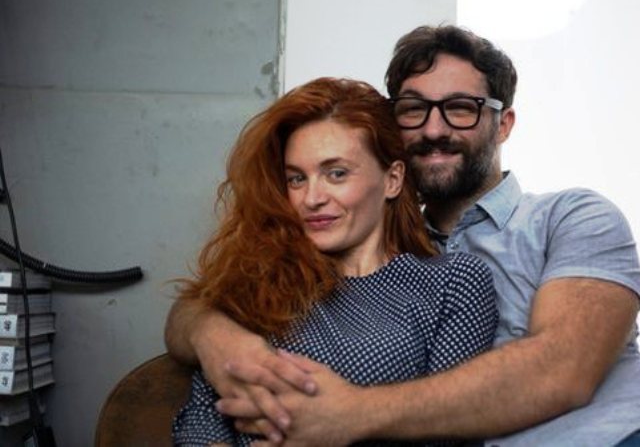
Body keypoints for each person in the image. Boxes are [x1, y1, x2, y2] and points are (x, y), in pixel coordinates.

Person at [165, 26, 640, 447]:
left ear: (504, 124)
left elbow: (566, 369)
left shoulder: (571, 217)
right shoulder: (368, 246)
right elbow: (201, 311)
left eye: (461, 108)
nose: (435, 129)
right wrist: (217, 336)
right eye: (414, 109)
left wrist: (346, 414)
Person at [168, 76, 499, 446]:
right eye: (296, 179)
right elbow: (203, 417)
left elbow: (449, 432)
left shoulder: (452, 282)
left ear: (392, 179)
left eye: (336, 173)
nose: (312, 198)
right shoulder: (259, 280)